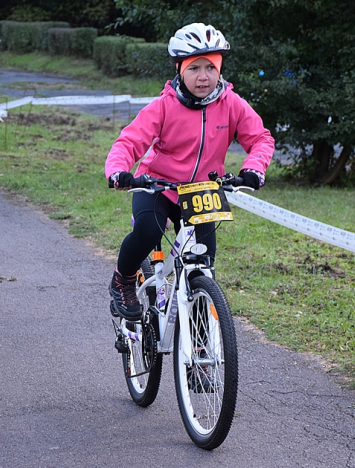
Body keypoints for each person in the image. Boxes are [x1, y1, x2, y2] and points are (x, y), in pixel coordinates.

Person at [105, 23, 274, 321]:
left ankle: (199, 338)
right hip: (158, 188)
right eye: (194, 68)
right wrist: (119, 171)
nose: (203, 76)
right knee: (149, 231)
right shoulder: (164, 106)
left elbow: (260, 138)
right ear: (180, 70)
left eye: (211, 67)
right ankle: (123, 280)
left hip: (202, 193)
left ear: (220, 70)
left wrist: (253, 168)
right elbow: (129, 142)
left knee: (202, 263)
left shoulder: (231, 103)